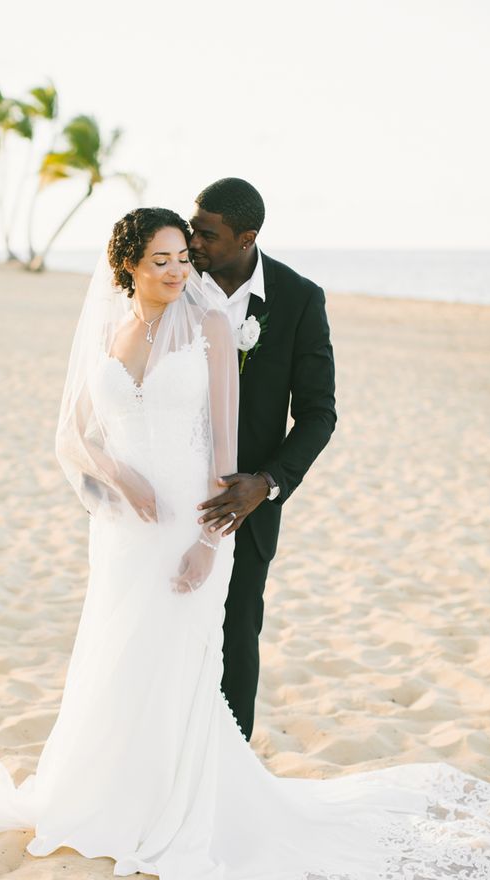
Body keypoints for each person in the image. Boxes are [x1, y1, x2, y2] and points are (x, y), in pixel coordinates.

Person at [0, 208, 490, 880]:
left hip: (192, 524)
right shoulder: (109, 330)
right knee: (120, 658)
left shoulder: (210, 326)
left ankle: (173, 805)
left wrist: (210, 541)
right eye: (162, 261)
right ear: (128, 268)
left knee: (180, 663)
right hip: (125, 533)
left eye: (184, 257)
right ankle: (111, 796)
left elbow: (222, 442)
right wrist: (121, 478)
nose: (179, 271)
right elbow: (73, 434)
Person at [189, 178, 336, 741]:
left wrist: (266, 483)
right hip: (170, 494)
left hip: (244, 509)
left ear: (246, 238)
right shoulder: (175, 282)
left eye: (208, 234)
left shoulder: (299, 299)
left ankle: (232, 764)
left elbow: (318, 414)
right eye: (193, 228)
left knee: (236, 634)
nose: (194, 242)